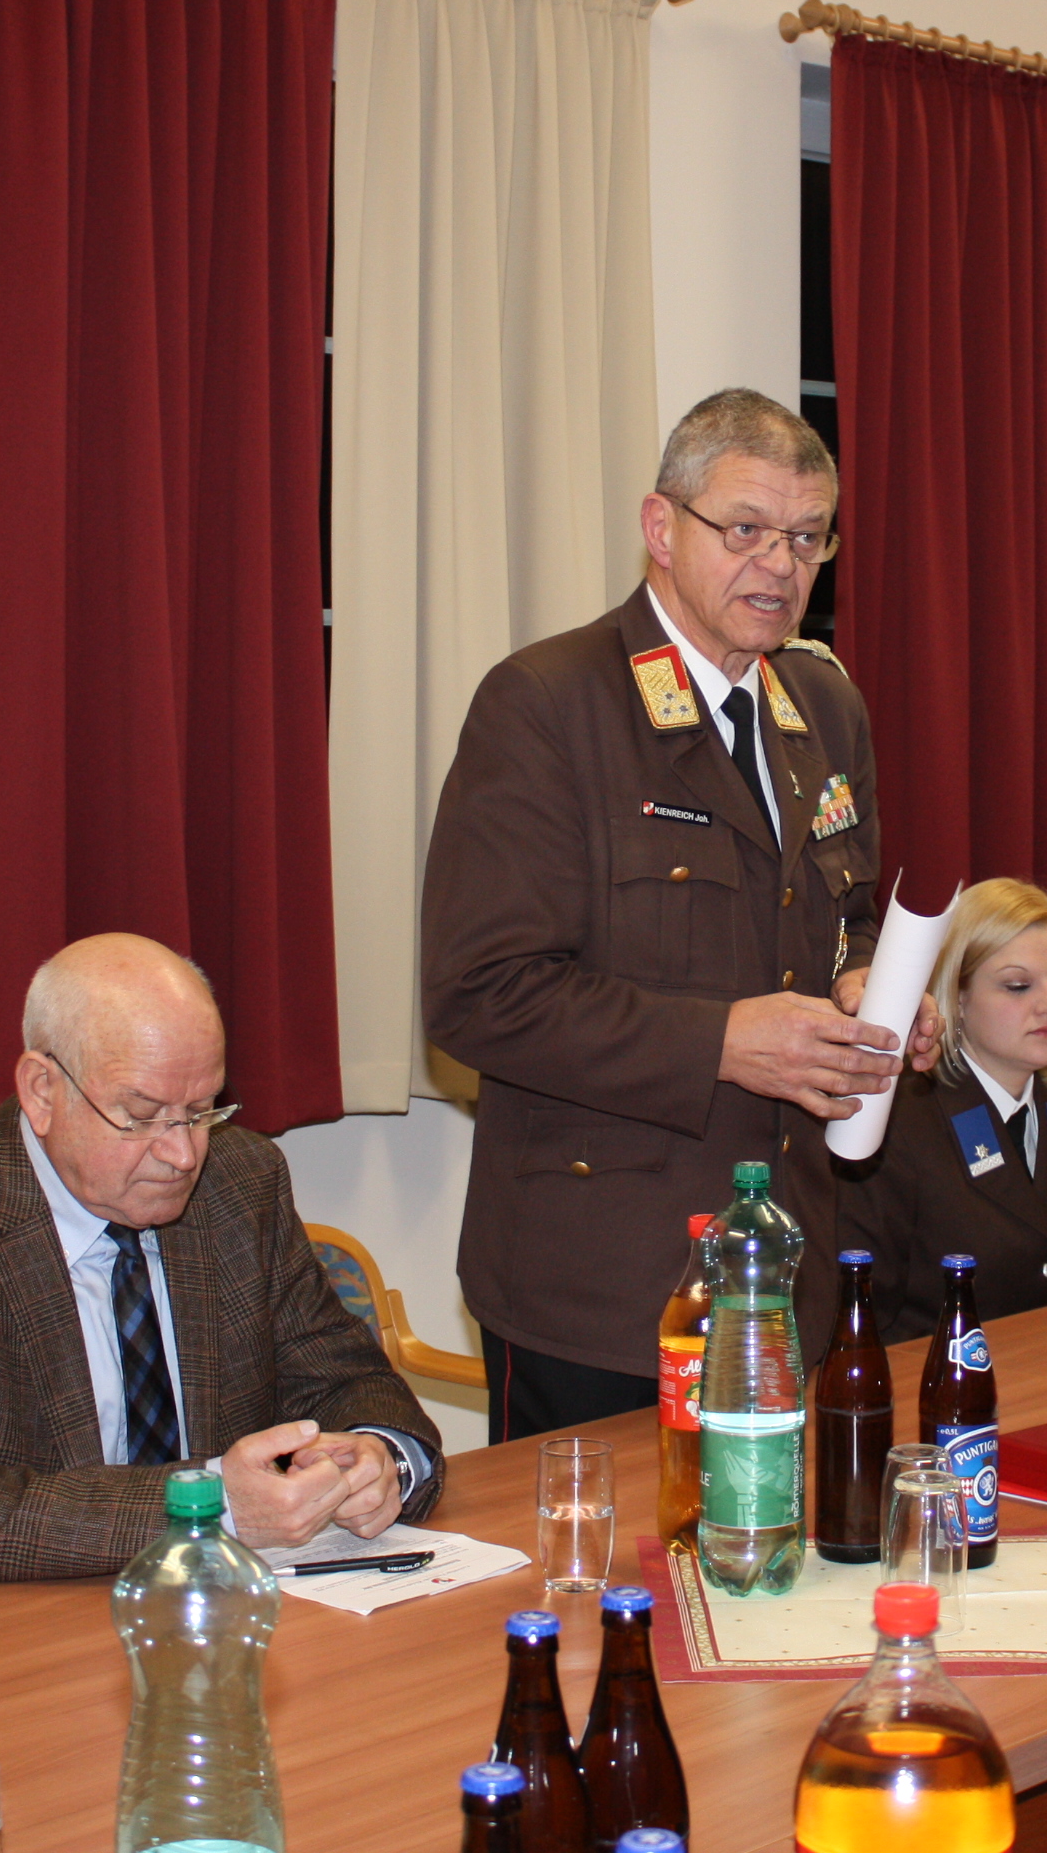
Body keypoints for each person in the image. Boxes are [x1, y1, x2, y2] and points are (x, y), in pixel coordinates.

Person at [422, 388, 935, 1440]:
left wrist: (871, 989)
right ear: (661, 527)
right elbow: (481, 997)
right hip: (605, 1286)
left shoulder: (823, 706)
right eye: (745, 530)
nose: (780, 566)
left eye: (807, 538)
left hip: (788, 1266)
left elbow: (847, 913)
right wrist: (723, 1041)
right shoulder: (550, 703)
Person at [0, 934, 444, 1586]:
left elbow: (345, 1381)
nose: (183, 1154)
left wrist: (382, 1457)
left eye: (201, 1112)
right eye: (142, 1116)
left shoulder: (240, 1183)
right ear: (42, 1091)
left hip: (241, 1607)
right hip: (32, 1619)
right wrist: (209, 1506)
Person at [835, 880, 1047, 1345]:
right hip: (936, 1378)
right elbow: (865, 1318)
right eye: (1018, 986)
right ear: (957, 996)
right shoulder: (897, 1116)